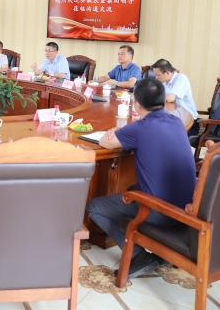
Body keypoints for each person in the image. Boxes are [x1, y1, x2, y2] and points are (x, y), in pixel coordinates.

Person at [86, 78, 197, 279]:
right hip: (188, 208)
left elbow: (105, 142)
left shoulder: (140, 128)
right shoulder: (176, 122)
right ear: (163, 101)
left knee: (94, 207)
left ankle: (139, 256)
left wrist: (113, 132)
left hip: (161, 211)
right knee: (133, 188)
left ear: (136, 105)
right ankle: (161, 250)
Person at [151, 59, 200, 135]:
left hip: (189, 123)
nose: (156, 78)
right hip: (174, 120)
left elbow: (170, 99)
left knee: (162, 135)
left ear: (167, 73)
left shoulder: (181, 78)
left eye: (158, 75)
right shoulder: (165, 84)